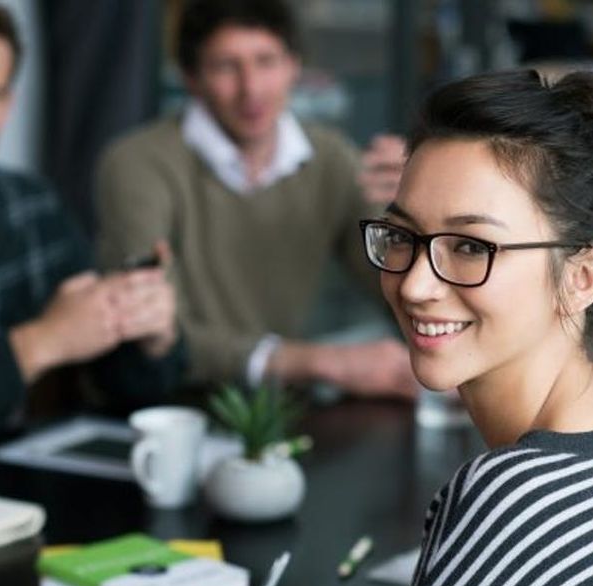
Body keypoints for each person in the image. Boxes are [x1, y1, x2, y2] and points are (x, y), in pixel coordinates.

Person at [198, 69, 593, 586]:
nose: (414, 285)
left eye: (470, 247)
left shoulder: (515, 500)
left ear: (583, 277)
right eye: (403, 235)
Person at [95, 0, 415, 399]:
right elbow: (152, 327)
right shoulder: (137, 163)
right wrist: (321, 361)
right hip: (167, 405)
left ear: (294, 66)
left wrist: (419, 215)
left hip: (275, 409)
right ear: (191, 78)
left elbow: (395, 287)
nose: (252, 88)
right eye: (226, 66)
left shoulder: (330, 157)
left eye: (266, 61)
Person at [0, 0, 184, 451]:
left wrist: (151, 337)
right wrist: (41, 342)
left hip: (0, 497)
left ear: (7, 106)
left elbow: (128, 388)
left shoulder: (30, 207)